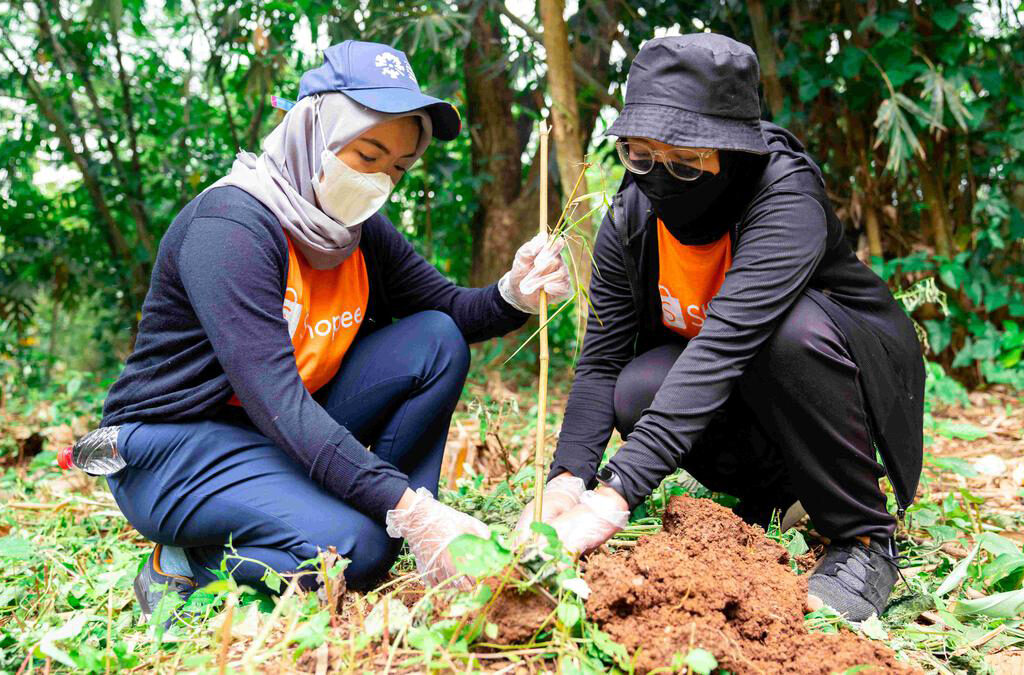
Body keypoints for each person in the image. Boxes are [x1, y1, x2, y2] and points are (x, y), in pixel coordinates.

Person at [99, 40, 570, 617]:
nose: (379, 181)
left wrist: (515, 291)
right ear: (313, 131)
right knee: (355, 551)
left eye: (397, 167)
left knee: (434, 340)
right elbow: (281, 406)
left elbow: (449, 311)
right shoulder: (231, 229)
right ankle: (182, 562)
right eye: (366, 155)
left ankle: (405, 530)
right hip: (172, 446)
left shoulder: (355, 228)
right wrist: (412, 509)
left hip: (264, 435)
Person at [515, 34, 924, 622]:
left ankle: (862, 536)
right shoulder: (630, 219)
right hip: (747, 397)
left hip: (837, 375)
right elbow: (601, 361)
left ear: (732, 152)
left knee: (789, 332)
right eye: (640, 157)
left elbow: (725, 346)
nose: (659, 177)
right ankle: (781, 499)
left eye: (685, 161)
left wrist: (614, 496)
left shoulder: (784, 196)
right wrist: (566, 482)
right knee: (636, 386)